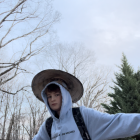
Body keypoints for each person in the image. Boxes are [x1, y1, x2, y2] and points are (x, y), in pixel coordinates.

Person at [32, 69, 140, 140]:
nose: (52, 99)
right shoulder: (48, 125)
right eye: (49, 96)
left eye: (56, 94)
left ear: (65, 95)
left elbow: (115, 122)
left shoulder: (82, 115)